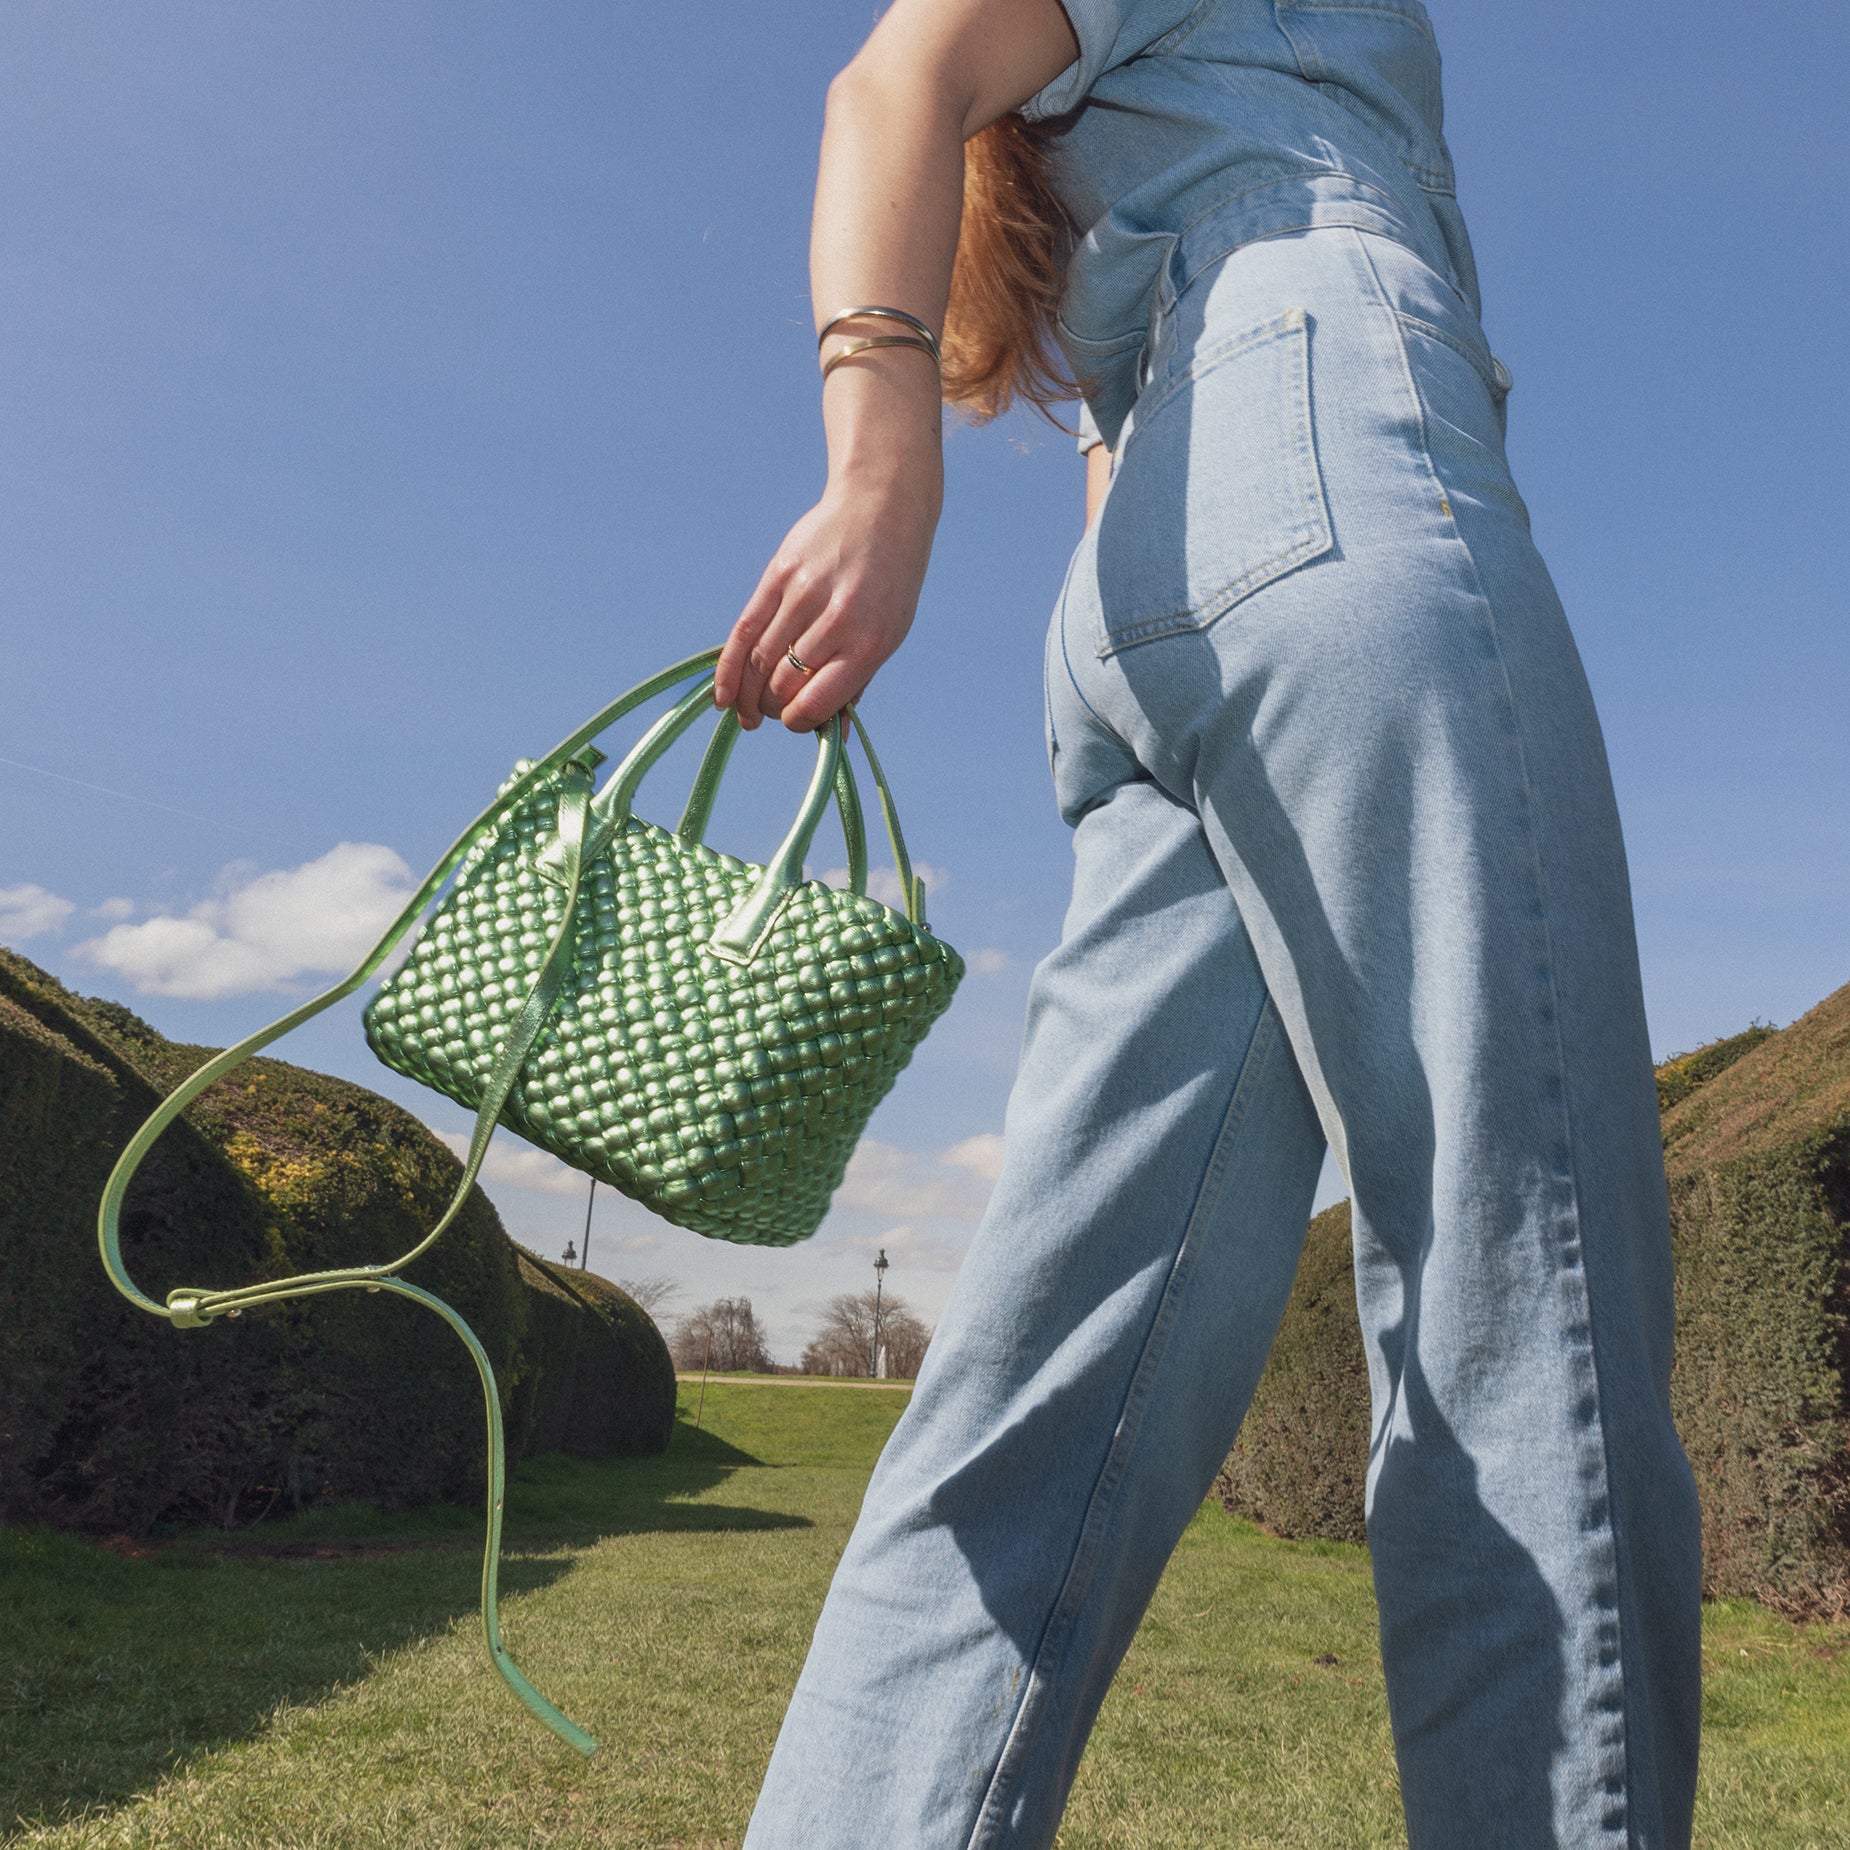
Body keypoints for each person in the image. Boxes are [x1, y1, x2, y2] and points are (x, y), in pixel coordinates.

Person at [713, 2, 1702, 1845]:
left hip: (1150, 583)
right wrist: (877, 457)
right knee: (1526, 1282)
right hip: (1335, 452)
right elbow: (894, 74)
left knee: (1041, 1401)